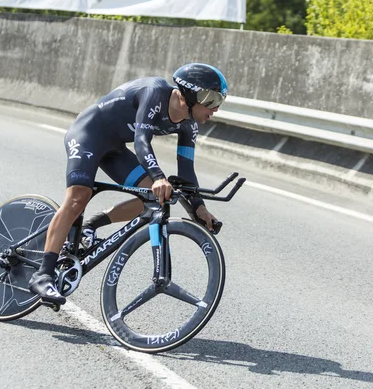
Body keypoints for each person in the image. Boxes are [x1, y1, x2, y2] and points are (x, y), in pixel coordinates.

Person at [28, 63, 228, 305]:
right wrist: (158, 177)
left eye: (220, 100)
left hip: (115, 148)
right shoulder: (154, 92)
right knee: (79, 196)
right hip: (88, 135)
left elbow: (186, 170)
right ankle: (43, 274)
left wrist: (199, 208)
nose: (215, 108)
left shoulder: (189, 124)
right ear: (189, 93)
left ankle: (93, 224)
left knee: (152, 198)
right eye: (211, 99)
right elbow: (141, 141)